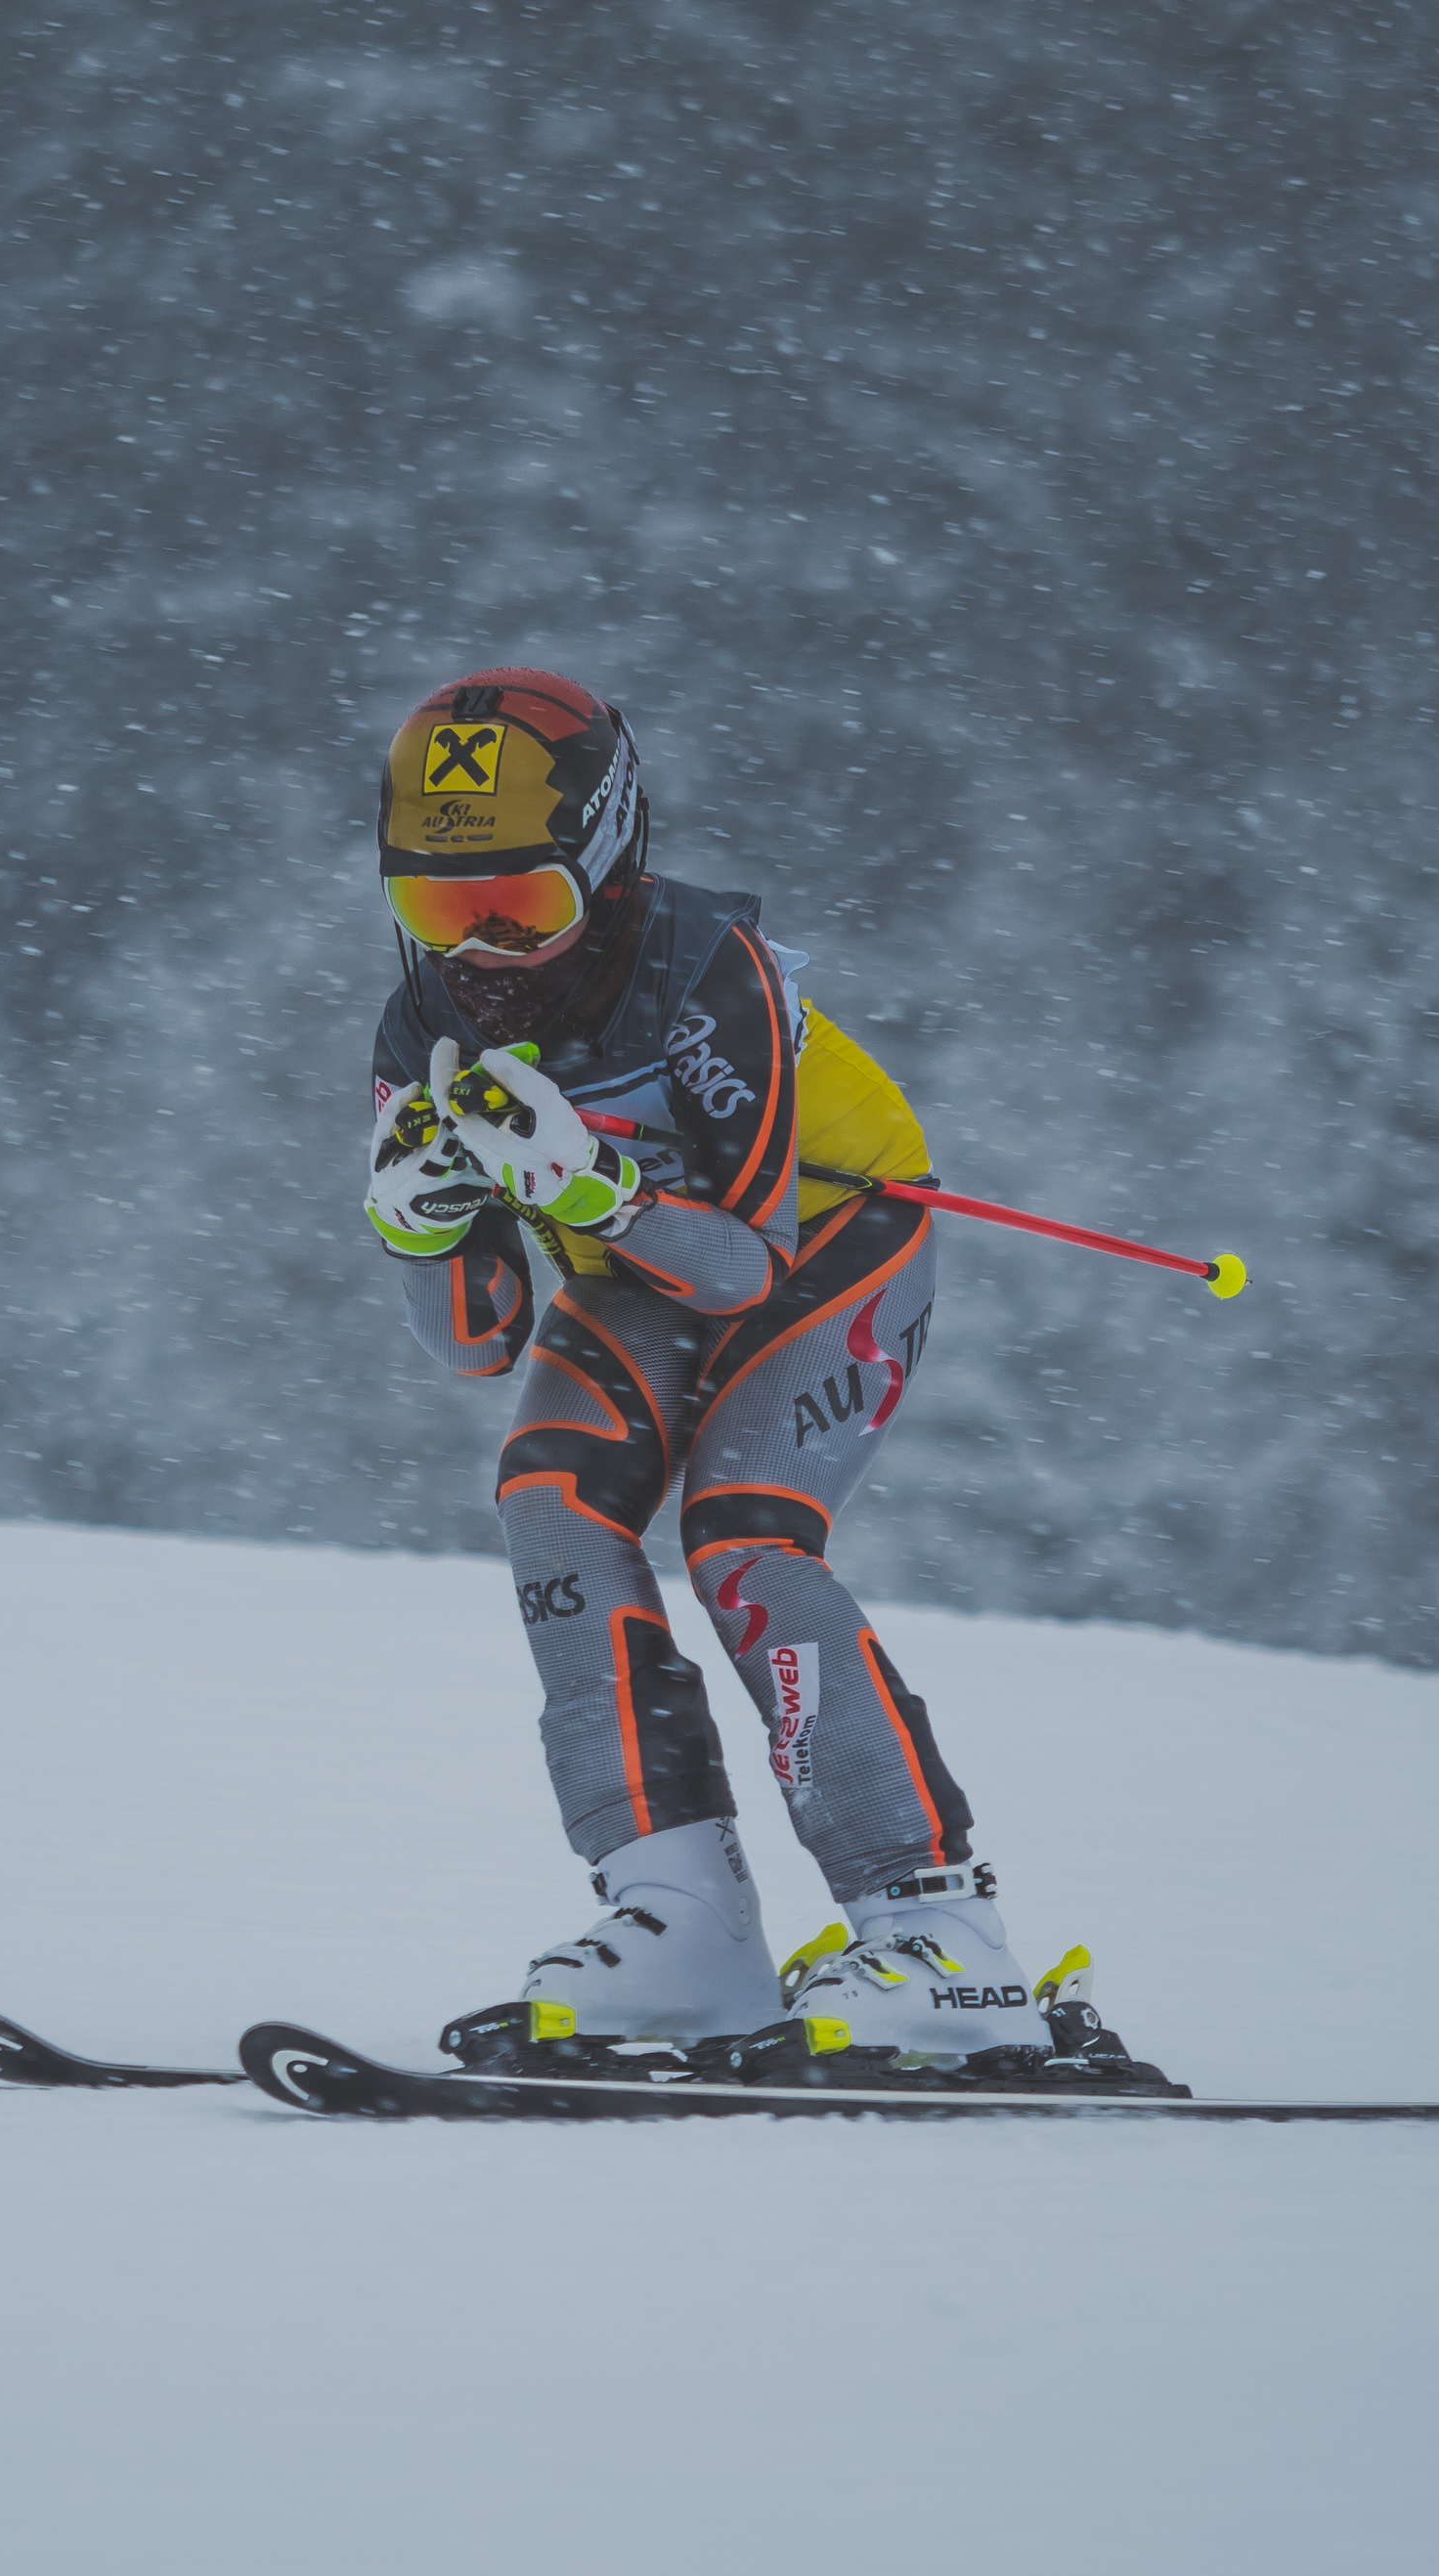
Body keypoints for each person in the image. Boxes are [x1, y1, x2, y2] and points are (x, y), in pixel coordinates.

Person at [361, 667, 1123, 2087]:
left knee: (744, 1535)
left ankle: (939, 1930)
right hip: (637, 1263)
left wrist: (587, 1192)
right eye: (436, 907)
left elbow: (745, 1273)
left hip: (831, 1240)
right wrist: (420, 1226)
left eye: (518, 903)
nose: (480, 953)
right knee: (548, 1499)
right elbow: (474, 1340)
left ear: (605, 860)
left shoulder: (711, 975)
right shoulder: (425, 1030)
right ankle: (683, 1917)